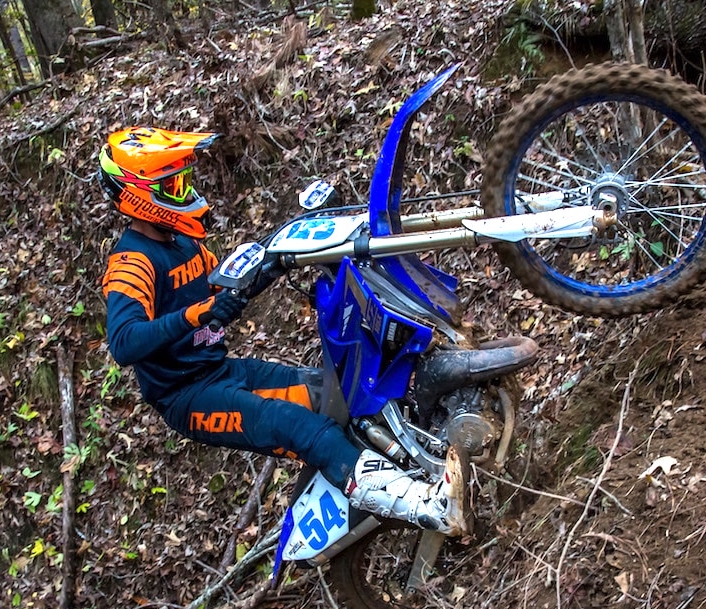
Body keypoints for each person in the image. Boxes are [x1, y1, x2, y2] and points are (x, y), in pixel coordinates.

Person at [98, 126, 462, 533]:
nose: (184, 192)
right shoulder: (132, 262)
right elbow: (125, 342)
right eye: (172, 185)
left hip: (220, 371)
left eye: (183, 182)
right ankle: (426, 507)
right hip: (185, 397)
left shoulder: (185, 243)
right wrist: (199, 314)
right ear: (139, 194)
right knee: (298, 427)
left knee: (334, 397)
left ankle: (410, 467)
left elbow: (228, 287)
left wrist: (288, 252)